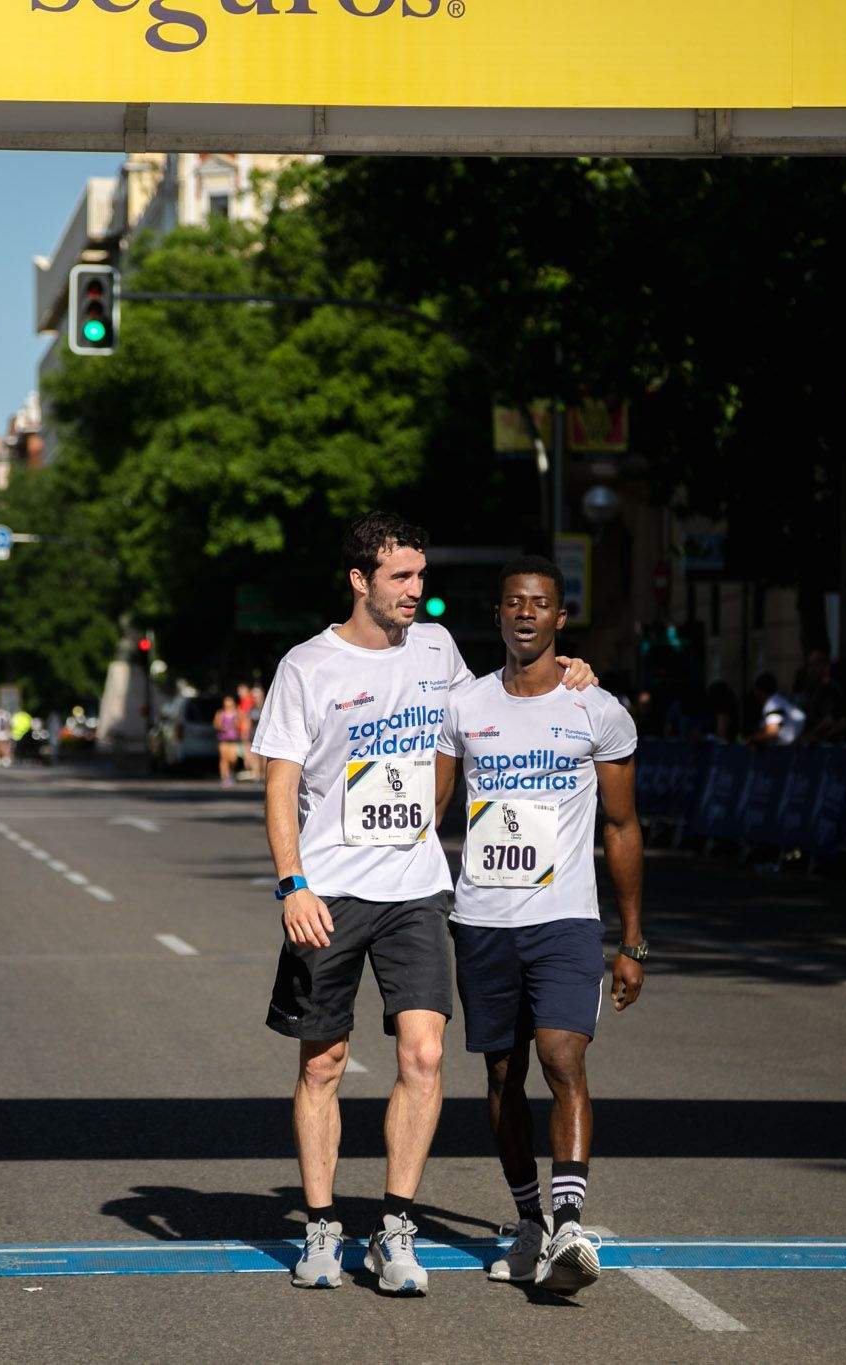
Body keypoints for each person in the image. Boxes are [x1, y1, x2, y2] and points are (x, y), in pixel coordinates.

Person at [253, 512, 593, 1297]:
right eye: (400, 576)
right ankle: (320, 1226)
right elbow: (279, 781)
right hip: (329, 890)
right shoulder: (307, 666)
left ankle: (394, 1226)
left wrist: (565, 671)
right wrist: (292, 882)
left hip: (414, 888)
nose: (416, 589)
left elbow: (499, 705)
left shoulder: (437, 649)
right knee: (323, 1063)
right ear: (359, 580)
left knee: (425, 1055)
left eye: (420, 574)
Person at [434, 556, 644, 1295]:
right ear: (498, 614)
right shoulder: (464, 706)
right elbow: (432, 814)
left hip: (564, 919)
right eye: (514, 602)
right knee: (502, 1074)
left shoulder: (598, 709)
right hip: (483, 919)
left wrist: (632, 940)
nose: (526, 613)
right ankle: (529, 1223)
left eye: (540, 603)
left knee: (562, 1056)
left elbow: (621, 825)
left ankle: (570, 1227)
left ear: (560, 616)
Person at [750, 673, 805, 747]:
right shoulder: (777, 700)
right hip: (792, 747)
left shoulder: (773, 704)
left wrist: (753, 739)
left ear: (759, 691)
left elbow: (772, 731)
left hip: (787, 749)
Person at [215, 694, 245, 788]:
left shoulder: (237, 713)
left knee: (233, 759)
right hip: (223, 739)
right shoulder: (221, 713)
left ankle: (231, 773)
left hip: (234, 740)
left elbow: (242, 724)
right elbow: (216, 724)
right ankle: (225, 777)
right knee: (224, 759)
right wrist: (222, 727)